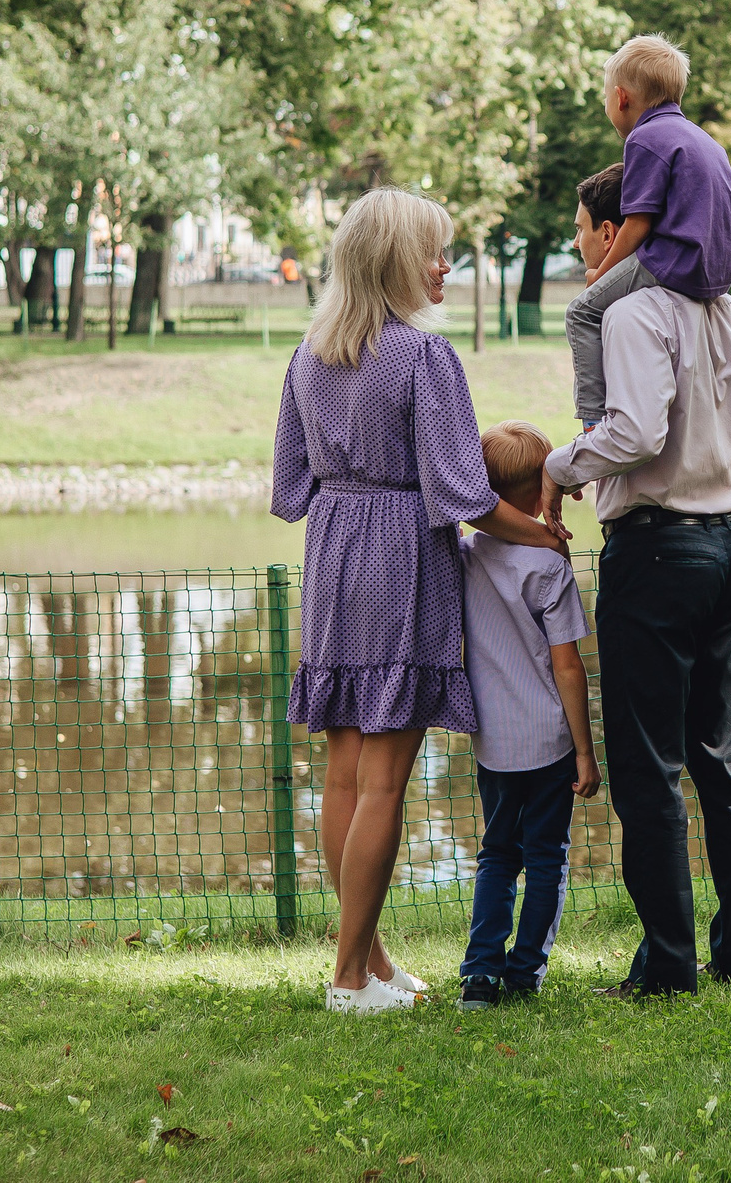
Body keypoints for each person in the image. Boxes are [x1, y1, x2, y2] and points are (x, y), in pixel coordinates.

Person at [271, 188, 567, 1016]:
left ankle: (368, 960)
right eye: (435, 252)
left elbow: (293, 484)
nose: (446, 266)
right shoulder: (422, 358)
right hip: (399, 557)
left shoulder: (308, 354)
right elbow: (464, 492)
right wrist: (543, 535)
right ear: (399, 260)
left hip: (331, 554)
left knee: (341, 775)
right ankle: (344, 978)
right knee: (385, 782)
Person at [544, 161, 731, 998]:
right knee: (725, 754)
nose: (579, 246)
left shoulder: (633, 312)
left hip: (654, 550)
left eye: (582, 230)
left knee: (648, 768)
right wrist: (714, 438)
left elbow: (636, 432)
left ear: (617, 232)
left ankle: (668, 970)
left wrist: (558, 463)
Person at [457, 420, 601, 1012]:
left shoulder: (465, 556)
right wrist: (586, 750)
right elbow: (568, 667)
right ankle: (526, 972)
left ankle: (480, 976)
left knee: (496, 854)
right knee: (547, 859)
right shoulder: (549, 567)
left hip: (492, 737)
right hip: (547, 740)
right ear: (540, 488)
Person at [564, 35, 731, 431]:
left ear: (621, 97)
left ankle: (594, 423)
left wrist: (601, 275)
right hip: (717, 272)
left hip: (676, 261)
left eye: (604, 99)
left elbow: (637, 225)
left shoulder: (645, 140)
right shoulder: (703, 139)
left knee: (581, 312)